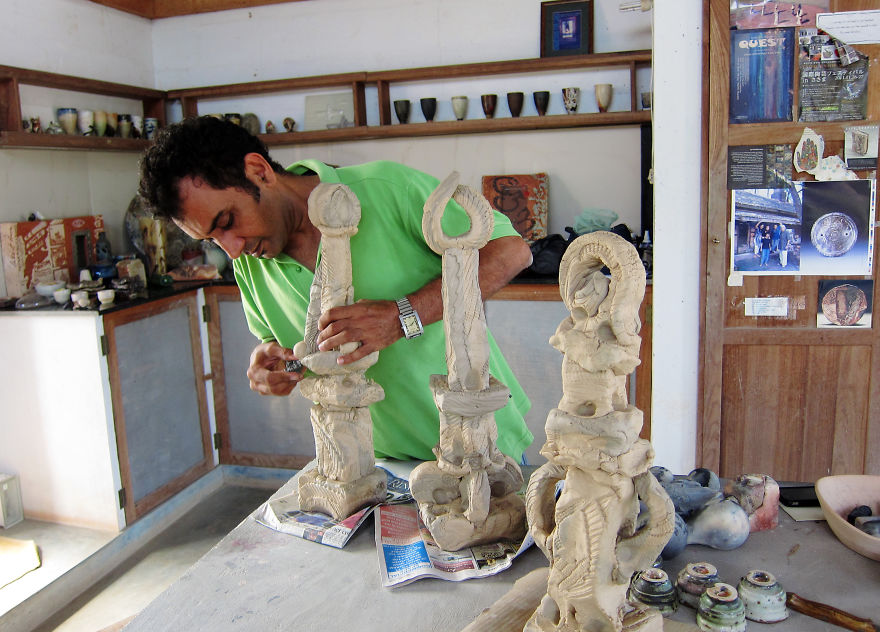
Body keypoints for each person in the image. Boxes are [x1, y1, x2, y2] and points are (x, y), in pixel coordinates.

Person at [138, 116, 534, 463]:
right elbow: (285, 346)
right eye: (212, 239)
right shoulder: (249, 264)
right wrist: (274, 365)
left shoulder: (384, 187)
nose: (233, 249)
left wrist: (403, 315)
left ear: (258, 171)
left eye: (227, 220)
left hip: (478, 446)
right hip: (376, 466)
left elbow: (512, 251)